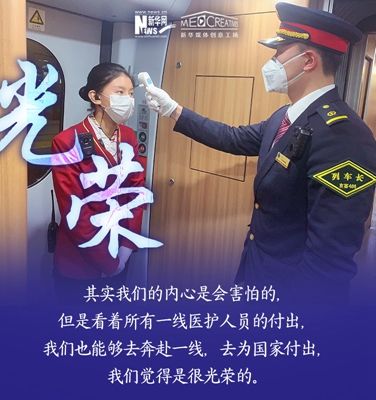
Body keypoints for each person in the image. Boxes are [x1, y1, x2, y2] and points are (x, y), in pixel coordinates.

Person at [144, 3, 376, 306]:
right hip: (259, 274)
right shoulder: (286, 116)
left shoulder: (344, 134)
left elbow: (329, 257)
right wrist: (173, 109)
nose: (272, 62)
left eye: (279, 53)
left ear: (308, 61)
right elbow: (233, 137)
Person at [51, 62, 145, 303]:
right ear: (95, 97)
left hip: (120, 250)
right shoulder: (66, 142)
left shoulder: (128, 136)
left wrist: (126, 248)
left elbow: (136, 192)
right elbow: (73, 212)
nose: (128, 100)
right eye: (120, 92)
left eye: (131, 93)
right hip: (79, 261)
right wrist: (108, 262)